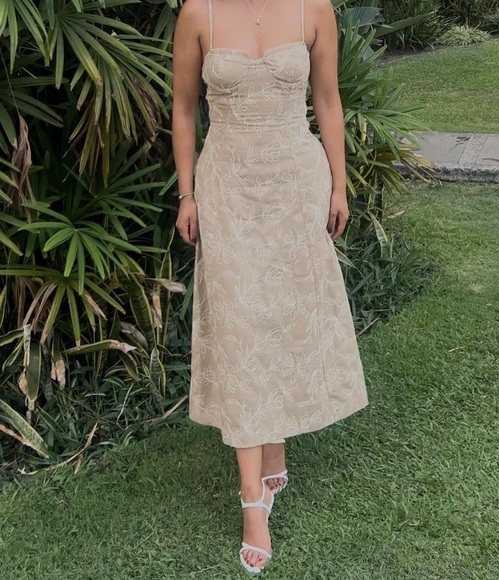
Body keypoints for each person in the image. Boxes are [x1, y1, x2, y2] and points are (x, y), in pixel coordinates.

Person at [172, 0, 368, 573]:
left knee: (281, 316)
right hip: (227, 188)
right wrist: (187, 194)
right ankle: (251, 499)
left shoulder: (314, 8)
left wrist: (339, 186)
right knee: (241, 327)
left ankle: (274, 445)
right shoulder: (198, 13)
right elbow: (184, 108)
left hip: (295, 183)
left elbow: (327, 100)